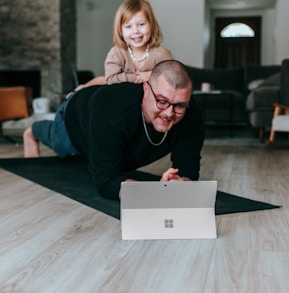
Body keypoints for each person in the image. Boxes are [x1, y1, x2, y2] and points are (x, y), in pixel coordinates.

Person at [23, 60, 204, 200]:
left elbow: (187, 170)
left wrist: (179, 184)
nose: (169, 113)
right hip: (76, 115)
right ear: (146, 89)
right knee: (62, 146)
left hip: (105, 118)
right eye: (162, 101)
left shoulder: (191, 113)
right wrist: (156, 193)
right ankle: (34, 130)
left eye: (179, 105)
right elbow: (106, 182)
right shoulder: (111, 110)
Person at [68, 0, 173, 95]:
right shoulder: (117, 52)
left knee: (103, 80)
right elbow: (111, 79)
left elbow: (172, 77)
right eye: (128, 27)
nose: (135, 31)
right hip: (120, 94)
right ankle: (80, 90)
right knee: (101, 81)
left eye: (141, 24)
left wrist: (150, 75)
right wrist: (139, 77)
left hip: (147, 98)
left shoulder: (161, 54)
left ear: (152, 25)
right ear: (120, 31)